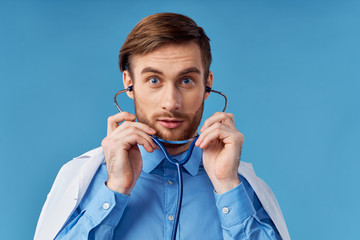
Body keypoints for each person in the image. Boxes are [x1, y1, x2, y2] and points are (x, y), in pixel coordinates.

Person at [34, 13, 290, 240]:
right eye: (154, 80)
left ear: (207, 85)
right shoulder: (86, 182)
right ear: (129, 83)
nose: (171, 103)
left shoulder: (241, 190)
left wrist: (226, 185)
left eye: (187, 80)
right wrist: (115, 189)